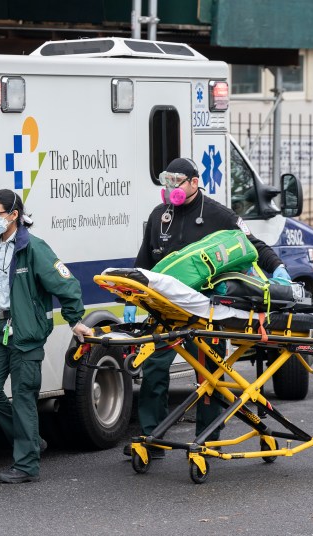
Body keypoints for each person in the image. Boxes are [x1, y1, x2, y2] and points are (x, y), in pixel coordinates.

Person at [124, 157, 290, 456]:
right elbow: (145, 263)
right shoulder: (160, 216)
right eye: (167, 180)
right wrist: (133, 301)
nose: (171, 187)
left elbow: (253, 245)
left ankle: (209, 437)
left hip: (205, 311)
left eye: (177, 181)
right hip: (166, 310)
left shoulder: (217, 215)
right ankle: (154, 438)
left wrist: (277, 268)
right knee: (154, 368)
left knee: (209, 373)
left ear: (194, 182)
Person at [0, 189, 93, 484]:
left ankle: (27, 465)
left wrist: (75, 321)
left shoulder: (34, 248)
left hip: (26, 335)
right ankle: (30, 441)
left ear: (13, 215)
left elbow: (66, 285)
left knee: (23, 397)